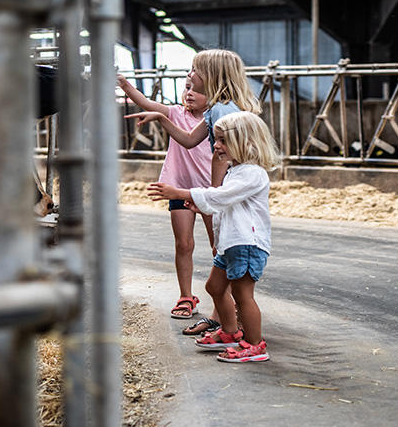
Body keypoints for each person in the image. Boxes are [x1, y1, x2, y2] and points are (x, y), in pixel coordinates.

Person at [125, 49, 262, 335]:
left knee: (223, 254)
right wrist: (161, 119)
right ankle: (223, 322)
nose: (189, 76)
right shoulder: (217, 109)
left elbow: (223, 156)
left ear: (211, 76)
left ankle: (238, 332)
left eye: (193, 70)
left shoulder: (225, 111)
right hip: (217, 191)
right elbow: (188, 140)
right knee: (217, 262)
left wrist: (211, 194)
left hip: (226, 190)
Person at [148, 111, 280, 362]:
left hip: (246, 244)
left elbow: (220, 197)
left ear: (247, 143)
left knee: (243, 295)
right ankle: (230, 333)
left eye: (222, 140)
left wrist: (180, 192)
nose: (216, 145)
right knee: (214, 287)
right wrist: (202, 206)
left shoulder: (253, 173)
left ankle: (254, 345)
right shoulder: (236, 171)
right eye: (216, 139)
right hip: (231, 243)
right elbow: (225, 201)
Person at [117, 73, 214, 320]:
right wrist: (124, 84)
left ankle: (227, 296)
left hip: (210, 190)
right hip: (178, 187)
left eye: (197, 90)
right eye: (188, 88)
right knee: (184, 244)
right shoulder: (175, 113)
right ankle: (185, 296)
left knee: (219, 247)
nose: (190, 93)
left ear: (213, 94)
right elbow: (145, 103)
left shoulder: (217, 117)